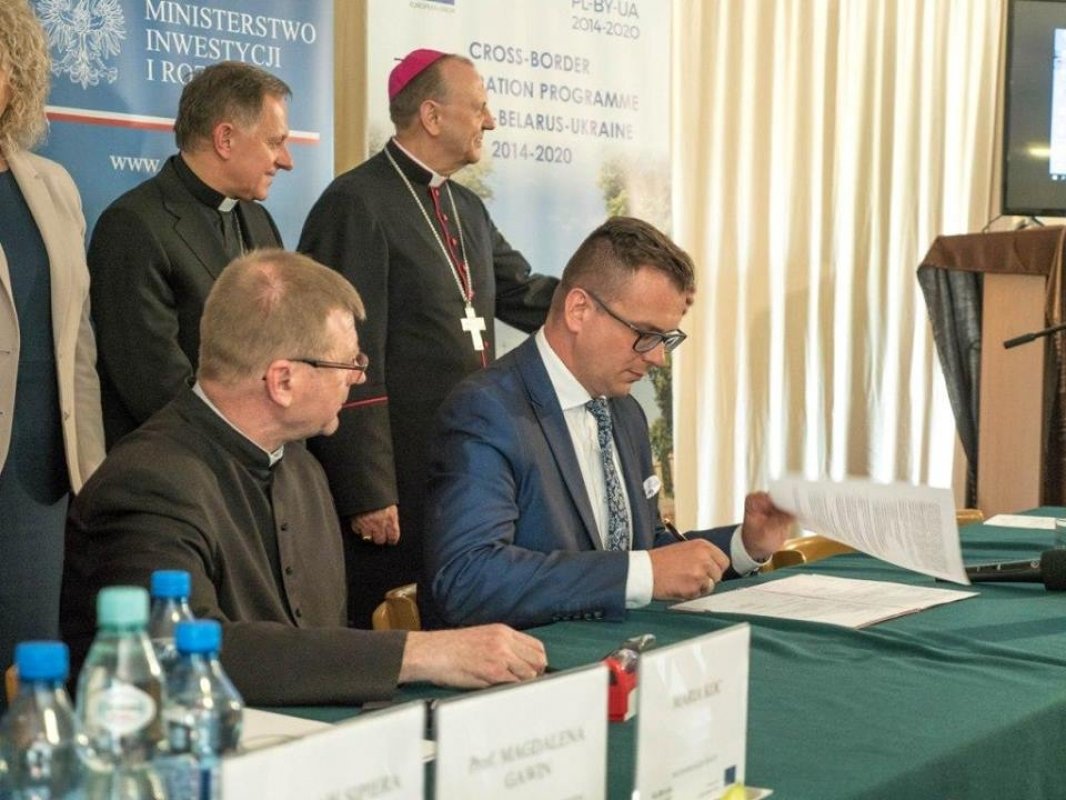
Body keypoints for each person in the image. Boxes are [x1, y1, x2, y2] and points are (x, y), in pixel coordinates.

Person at [61, 249, 546, 706]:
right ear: (283, 381)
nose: (359, 377)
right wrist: (420, 653)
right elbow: (178, 657)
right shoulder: (145, 485)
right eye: (349, 362)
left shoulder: (303, 469)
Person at [423, 217, 795, 629]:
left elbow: (648, 548)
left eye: (666, 339)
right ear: (579, 310)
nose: (658, 358)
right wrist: (642, 573)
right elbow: (469, 579)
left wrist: (744, 545)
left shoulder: (625, 411)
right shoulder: (487, 410)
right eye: (646, 333)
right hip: (534, 662)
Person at [299, 49, 558, 626]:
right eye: (479, 107)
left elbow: (522, 291)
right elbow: (346, 353)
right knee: (392, 621)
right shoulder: (355, 202)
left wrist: (607, 307)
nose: (490, 121)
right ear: (433, 116)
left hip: (464, 463)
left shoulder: (467, 207)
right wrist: (367, 487)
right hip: (396, 475)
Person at [88, 61, 292, 448]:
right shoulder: (133, 225)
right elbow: (155, 387)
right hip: (181, 461)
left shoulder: (258, 218)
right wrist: (249, 448)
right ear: (225, 139)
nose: (286, 160)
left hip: (260, 455)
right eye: (274, 142)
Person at [0, 0, 105, 709]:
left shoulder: (53, 185)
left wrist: (89, 465)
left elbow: (78, 342)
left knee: (28, 675)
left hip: (39, 476)